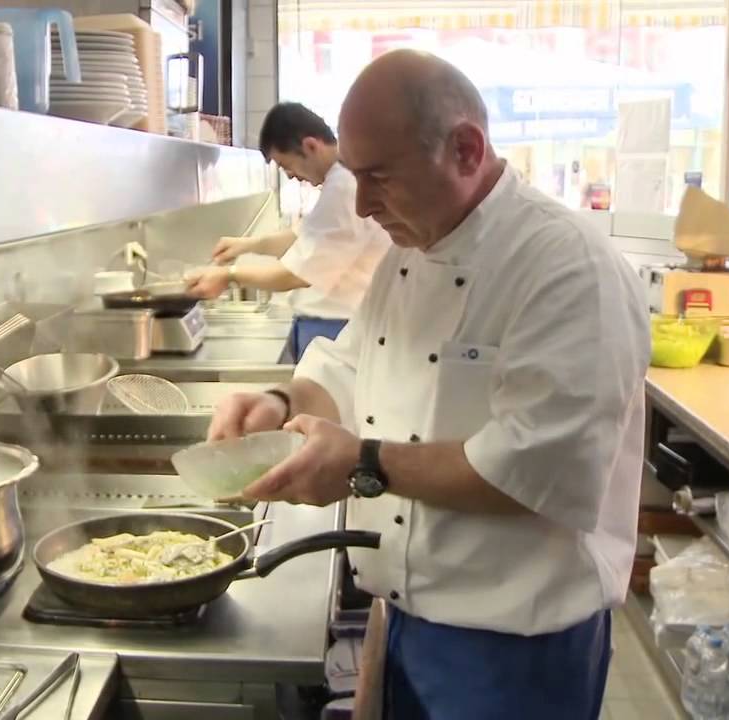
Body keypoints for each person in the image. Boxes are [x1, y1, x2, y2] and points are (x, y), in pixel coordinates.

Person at [208, 50, 649, 718]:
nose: (362, 205)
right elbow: (351, 365)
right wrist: (281, 403)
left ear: (465, 150)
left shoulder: (567, 267)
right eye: (356, 176)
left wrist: (361, 463)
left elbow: (536, 466)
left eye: (379, 177)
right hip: (408, 618)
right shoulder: (410, 250)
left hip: (514, 652)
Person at [184, 102, 390, 363]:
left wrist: (228, 275)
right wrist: (246, 245)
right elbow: (301, 235)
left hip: (335, 327)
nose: (291, 176)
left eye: (286, 165)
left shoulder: (344, 188)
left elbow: (295, 274)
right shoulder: (338, 182)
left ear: (311, 146)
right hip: (330, 324)